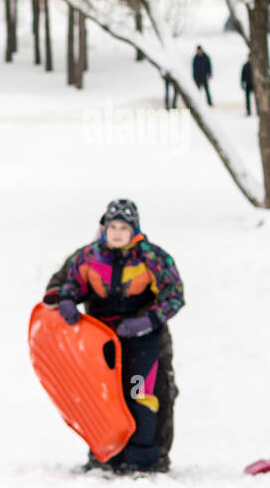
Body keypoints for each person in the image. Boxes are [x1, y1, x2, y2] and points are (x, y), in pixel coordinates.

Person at [53, 199, 185, 474]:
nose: (116, 232)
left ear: (134, 229)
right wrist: (66, 301)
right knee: (103, 397)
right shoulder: (87, 256)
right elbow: (66, 284)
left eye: (123, 227)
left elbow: (174, 295)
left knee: (141, 394)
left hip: (144, 342)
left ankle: (144, 458)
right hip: (101, 342)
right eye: (111, 226)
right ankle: (104, 454)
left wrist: (146, 320)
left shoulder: (152, 257)